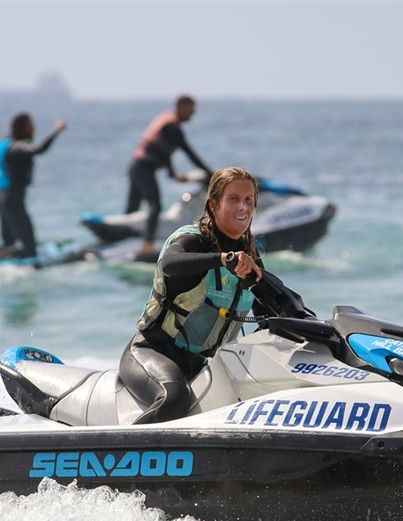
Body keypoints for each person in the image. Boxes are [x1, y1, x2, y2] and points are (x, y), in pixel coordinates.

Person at [119, 166, 298, 425]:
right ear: (213, 205)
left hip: (202, 365)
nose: (243, 208)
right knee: (175, 399)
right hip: (154, 352)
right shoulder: (193, 242)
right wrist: (223, 259)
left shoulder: (250, 256)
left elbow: (270, 311)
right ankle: (128, 457)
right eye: (234, 199)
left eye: (249, 200)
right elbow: (170, 264)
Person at [0, 112, 67, 265]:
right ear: (25, 129)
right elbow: (38, 149)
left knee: (9, 246)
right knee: (30, 250)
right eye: (31, 126)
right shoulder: (18, 147)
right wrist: (57, 130)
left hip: (1, 199)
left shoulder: (3, 145)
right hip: (14, 201)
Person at [125, 94, 212, 259]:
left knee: (132, 209)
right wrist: (210, 172)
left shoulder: (168, 122)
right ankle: (147, 245)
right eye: (191, 110)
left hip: (136, 166)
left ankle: (127, 238)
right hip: (144, 168)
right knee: (155, 206)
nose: (192, 114)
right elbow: (189, 153)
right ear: (182, 107)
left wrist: (172, 173)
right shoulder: (173, 128)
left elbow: (163, 151)